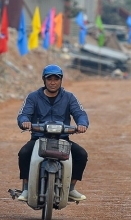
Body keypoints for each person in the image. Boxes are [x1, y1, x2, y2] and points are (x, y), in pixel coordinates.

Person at [16, 64, 89, 203]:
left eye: (56, 79)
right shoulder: (33, 97)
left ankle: (71, 188)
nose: (53, 82)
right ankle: (26, 188)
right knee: (24, 153)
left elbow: (80, 113)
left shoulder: (69, 97)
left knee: (81, 155)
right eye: (49, 79)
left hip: (62, 139)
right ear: (44, 80)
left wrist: (82, 124)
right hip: (39, 139)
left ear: (61, 80)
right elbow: (23, 114)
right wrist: (25, 122)